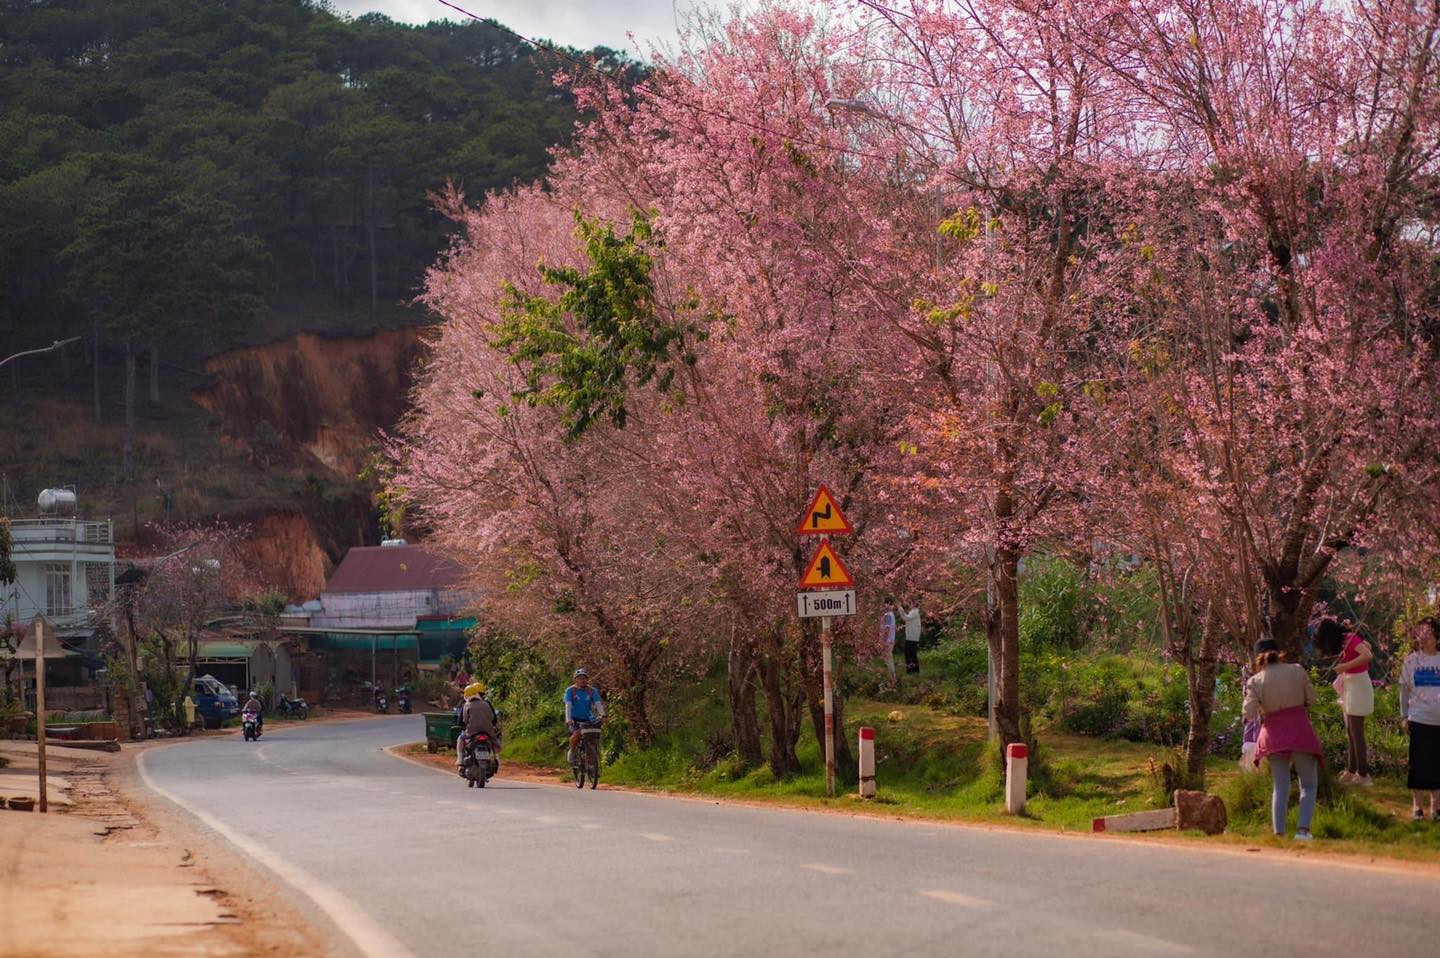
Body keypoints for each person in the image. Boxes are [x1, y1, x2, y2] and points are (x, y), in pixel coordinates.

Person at [1243, 638, 1324, 841]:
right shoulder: (1297, 670)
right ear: (1280, 653)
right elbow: (1312, 699)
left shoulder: (1255, 681)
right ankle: (1302, 831)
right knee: (1308, 784)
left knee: (1280, 786)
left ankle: (1279, 833)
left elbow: (1249, 712)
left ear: (1258, 659)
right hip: (1299, 730)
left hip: (1273, 735)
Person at [1316, 619, 1374, 786]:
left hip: (1358, 684)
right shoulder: (1346, 641)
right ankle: (1351, 770)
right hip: (1350, 684)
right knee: (1350, 731)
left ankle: (1363, 774)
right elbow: (1367, 647)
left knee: (1357, 731)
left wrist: (1346, 665)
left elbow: (1368, 655)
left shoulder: (1349, 638)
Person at [1400, 616, 1440, 821]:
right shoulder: (1411, 660)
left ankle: (1436, 807)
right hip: (1418, 718)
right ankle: (1417, 806)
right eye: (1421, 634)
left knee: (1437, 764)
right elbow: (1404, 691)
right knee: (1418, 764)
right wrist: (1404, 717)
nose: (1425, 639)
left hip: (1438, 721)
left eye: (1429, 634)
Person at [456, 682, 500, 772]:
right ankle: (497, 758)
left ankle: (460, 759)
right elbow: (492, 717)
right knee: (494, 741)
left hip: (472, 731)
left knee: (460, 739)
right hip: (488, 731)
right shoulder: (486, 704)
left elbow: (464, 720)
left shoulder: (467, 705)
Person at [564, 669, 605, 766]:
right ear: (575, 680)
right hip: (574, 718)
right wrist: (568, 719)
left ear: (587, 680)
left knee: (593, 737)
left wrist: (603, 715)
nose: (582, 680)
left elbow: (598, 704)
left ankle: (591, 761)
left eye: (584, 678)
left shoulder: (592, 691)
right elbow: (568, 705)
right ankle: (572, 751)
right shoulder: (570, 691)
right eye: (579, 678)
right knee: (577, 733)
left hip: (588, 718)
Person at [879, 599, 898, 686]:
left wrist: (883, 641)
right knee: (888, 660)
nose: (885, 606)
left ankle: (892, 681)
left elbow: (886, 629)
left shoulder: (888, 615)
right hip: (891, 641)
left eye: (886, 604)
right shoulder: (892, 615)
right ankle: (891, 680)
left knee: (888, 661)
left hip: (887, 641)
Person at [903, 604, 922, 674]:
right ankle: (915, 670)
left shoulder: (914, 612)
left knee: (908, 653)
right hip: (912, 636)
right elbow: (906, 618)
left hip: (912, 637)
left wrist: (900, 609)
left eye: (910, 603)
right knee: (912, 653)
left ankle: (910, 670)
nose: (909, 604)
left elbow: (906, 618)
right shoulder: (913, 612)